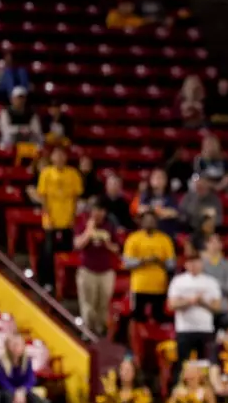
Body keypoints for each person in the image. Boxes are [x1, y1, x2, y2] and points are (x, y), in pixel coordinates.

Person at [29, 143, 83, 286]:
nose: (59, 158)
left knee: (66, 251)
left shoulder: (73, 173)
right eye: (56, 155)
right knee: (48, 252)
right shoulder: (46, 173)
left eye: (62, 155)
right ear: (52, 157)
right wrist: (48, 216)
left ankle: (65, 283)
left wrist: (73, 217)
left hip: (67, 220)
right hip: (51, 220)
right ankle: (46, 280)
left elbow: (76, 197)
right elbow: (43, 197)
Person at [74, 207, 121, 337]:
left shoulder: (110, 226)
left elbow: (117, 248)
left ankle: (101, 330)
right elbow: (78, 244)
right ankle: (87, 331)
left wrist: (107, 243)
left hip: (106, 271)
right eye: (95, 210)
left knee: (104, 303)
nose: (98, 213)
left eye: (101, 210)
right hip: (87, 270)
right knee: (88, 303)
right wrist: (89, 231)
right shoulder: (83, 224)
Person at [167, 251, 223, 362]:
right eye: (190, 262)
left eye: (196, 262)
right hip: (184, 329)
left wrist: (202, 302)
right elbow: (171, 305)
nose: (193, 265)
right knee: (183, 363)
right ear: (186, 264)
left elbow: (217, 307)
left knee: (205, 363)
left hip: (205, 329)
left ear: (201, 263)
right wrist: (190, 301)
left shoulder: (211, 282)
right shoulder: (178, 281)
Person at [122, 209, 175, 326]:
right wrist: (144, 261)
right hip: (139, 286)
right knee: (137, 318)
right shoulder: (133, 238)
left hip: (159, 287)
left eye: (152, 220)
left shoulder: (165, 239)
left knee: (159, 318)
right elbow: (127, 262)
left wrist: (159, 261)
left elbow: (171, 264)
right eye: (146, 220)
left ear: (156, 222)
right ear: (141, 222)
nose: (149, 223)